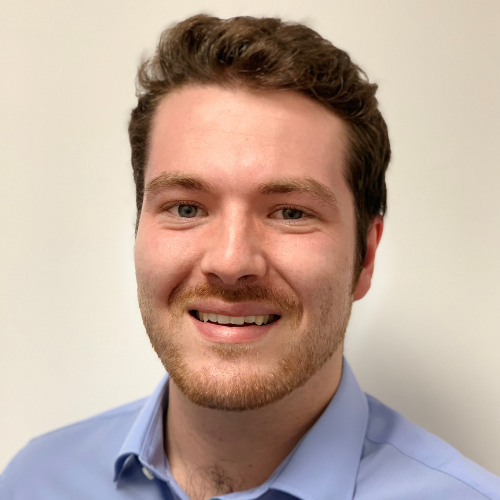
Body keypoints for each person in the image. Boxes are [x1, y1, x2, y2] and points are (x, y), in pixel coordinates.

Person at [1, 14, 499, 500]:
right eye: (186, 208)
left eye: (290, 212)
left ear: (365, 257)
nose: (231, 261)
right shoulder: (33, 483)